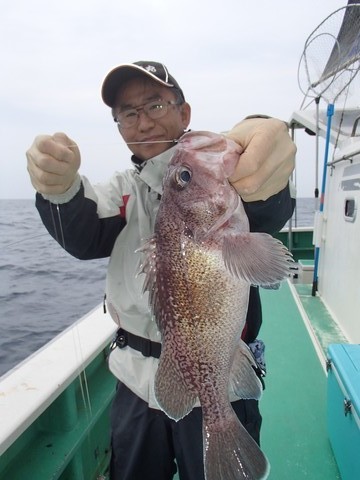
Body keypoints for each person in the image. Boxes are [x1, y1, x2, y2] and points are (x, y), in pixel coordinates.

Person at [26, 60, 296, 480]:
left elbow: (264, 206)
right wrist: (58, 190)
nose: (143, 121)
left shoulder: (221, 171)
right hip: (135, 382)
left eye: (154, 104)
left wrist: (266, 139)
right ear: (119, 127)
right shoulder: (121, 192)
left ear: (183, 113)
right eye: (128, 113)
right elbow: (82, 233)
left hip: (220, 370)